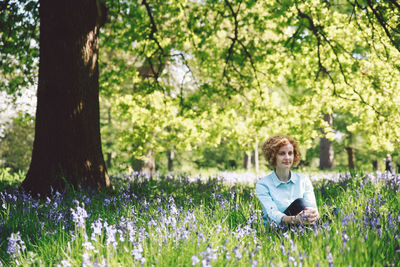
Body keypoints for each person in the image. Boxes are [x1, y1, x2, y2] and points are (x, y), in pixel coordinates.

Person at [255, 135, 319, 226]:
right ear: (273, 156)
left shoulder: (303, 180)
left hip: (305, 223)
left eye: (290, 153)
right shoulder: (263, 185)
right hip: (279, 229)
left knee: (336, 212)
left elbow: (313, 209)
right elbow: (272, 213)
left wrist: (312, 215)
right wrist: (295, 219)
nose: (287, 157)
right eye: (282, 153)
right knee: (300, 203)